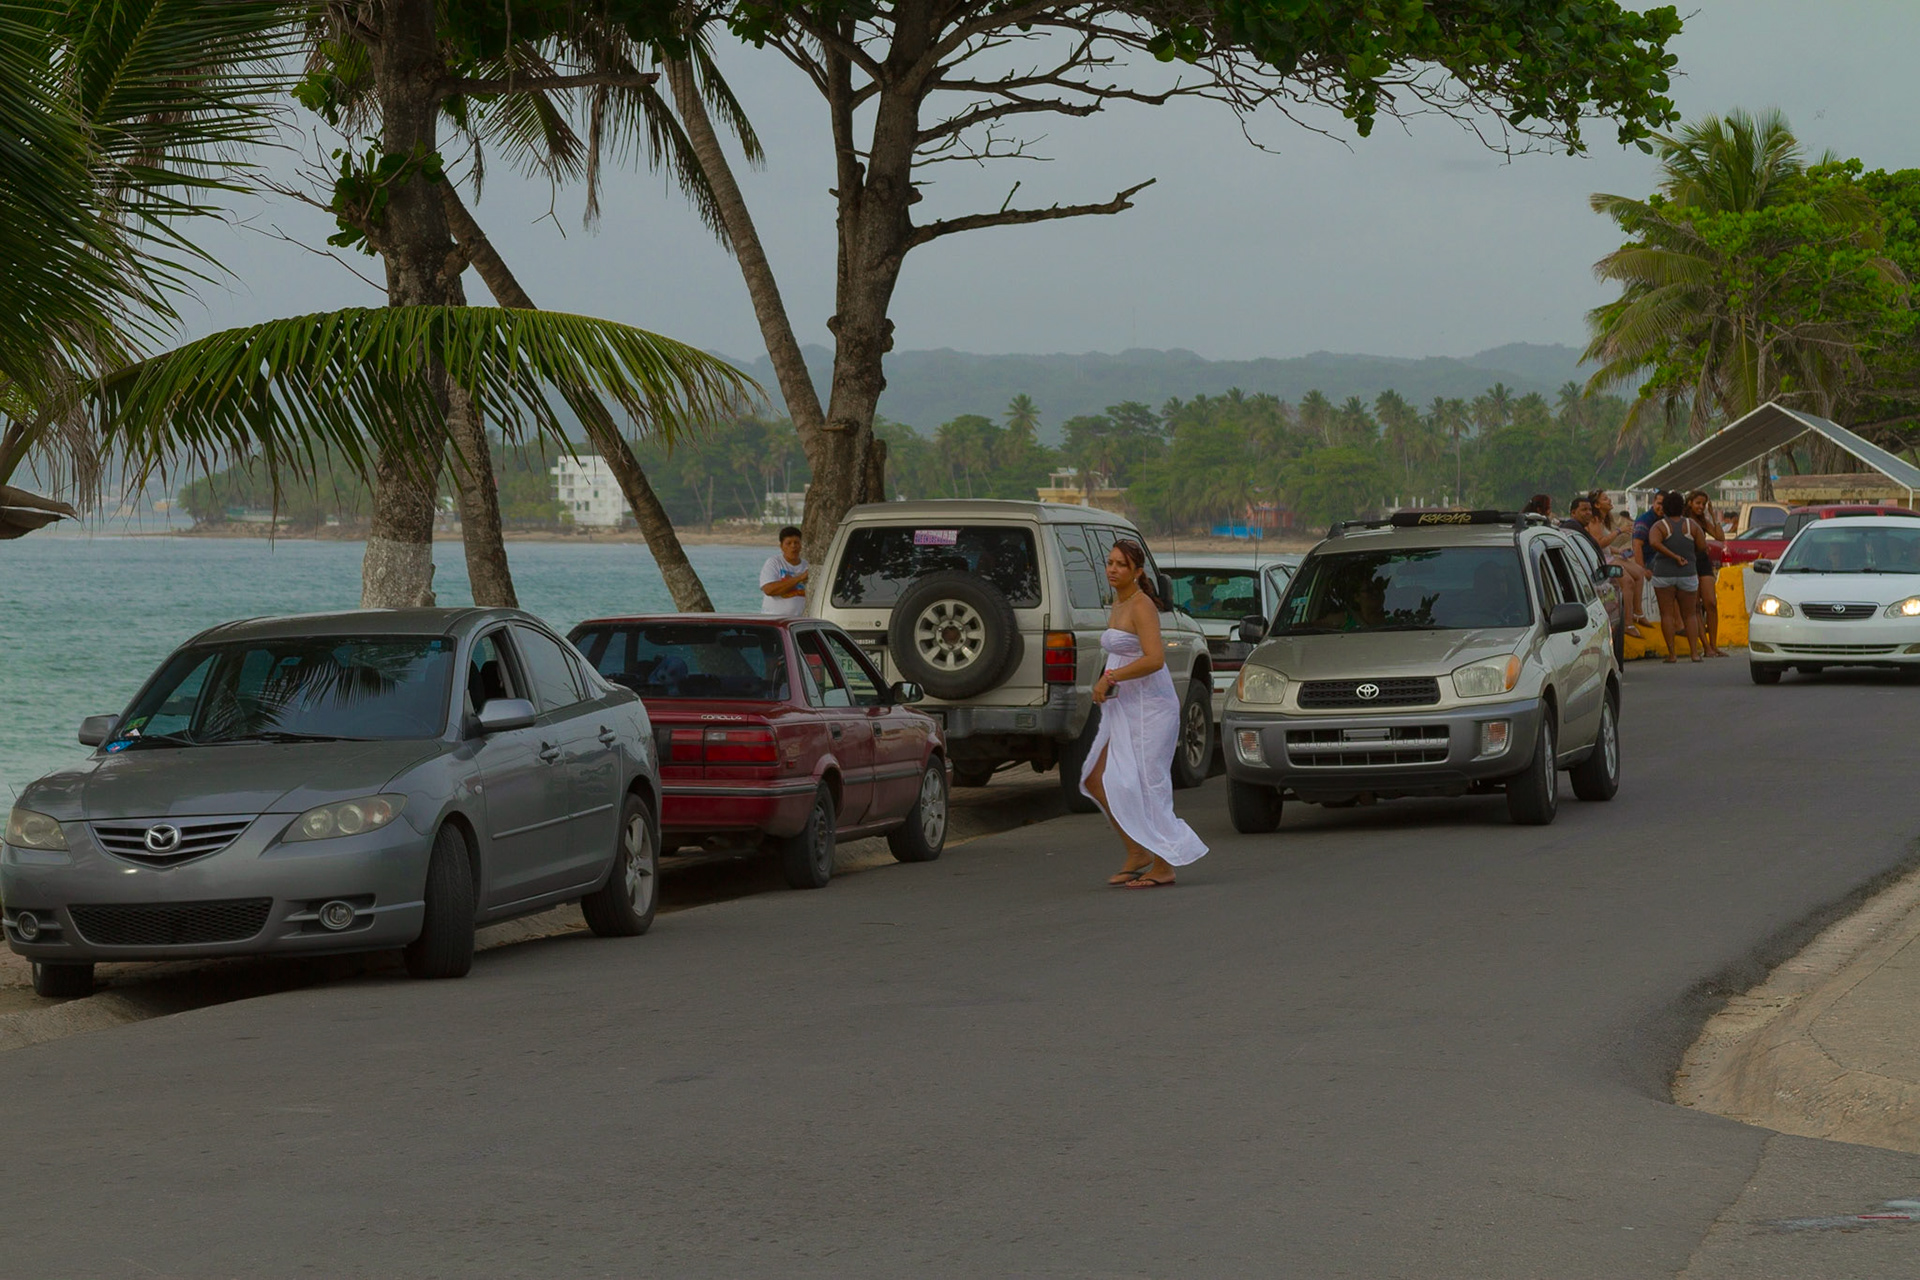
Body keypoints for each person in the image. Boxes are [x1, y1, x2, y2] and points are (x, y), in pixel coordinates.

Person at [1081, 539, 1208, 889]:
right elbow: (1122, 652)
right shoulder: (1118, 601)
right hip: (1124, 703)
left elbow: (1155, 659)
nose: (1112, 569)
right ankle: (1137, 851)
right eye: (1109, 562)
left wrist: (1110, 678)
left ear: (1137, 572)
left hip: (1151, 707)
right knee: (1096, 777)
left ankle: (1165, 863)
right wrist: (1108, 681)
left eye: (1121, 564)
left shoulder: (1142, 606)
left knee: (1149, 783)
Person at [1647, 490, 1708, 663]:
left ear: (1665, 508)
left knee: (1667, 614)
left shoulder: (1659, 526)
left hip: (1663, 574)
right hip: (1688, 573)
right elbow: (1702, 545)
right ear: (1682, 507)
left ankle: (1672, 654)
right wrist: (1687, 554)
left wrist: (1672, 556)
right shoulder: (1691, 526)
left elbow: (1653, 542)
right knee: (1690, 614)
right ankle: (1694, 653)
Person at [1686, 491, 1728, 657]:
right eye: (1698, 503)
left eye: (1703, 504)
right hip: (1690, 561)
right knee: (1695, 606)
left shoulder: (1703, 520)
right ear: (1690, 502)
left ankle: (1714, 645)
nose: (1701, 506)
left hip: (1703, 561)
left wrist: (1713, 515)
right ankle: (1706, 646)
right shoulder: (1684, 520)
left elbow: (1720, 536)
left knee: (1711, 603)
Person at [759, 526, 810, 617]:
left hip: (798, 621)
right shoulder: (774, 563)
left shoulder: (807, 566)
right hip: (774, 619)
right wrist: (799, 578)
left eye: (796, 542)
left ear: (801, 545)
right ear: (781, 546)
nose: (793, 546)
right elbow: (769, 590)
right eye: (788, 543)